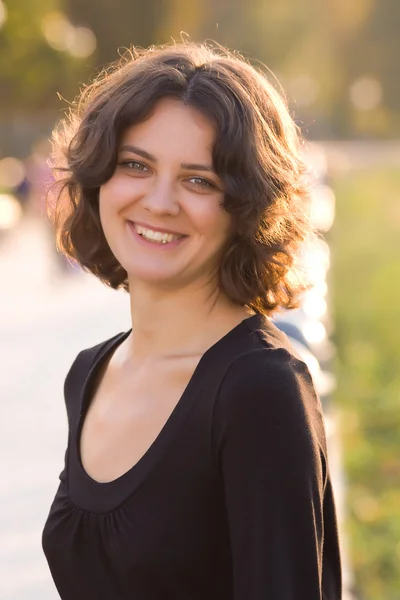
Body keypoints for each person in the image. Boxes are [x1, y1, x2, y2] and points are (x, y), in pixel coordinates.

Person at [42, 41, 342, 599]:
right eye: (135, 165)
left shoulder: (260, 392)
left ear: (246, 208)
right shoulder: (89, 373)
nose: (159, 201)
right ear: (99, 178)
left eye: (199, 180)